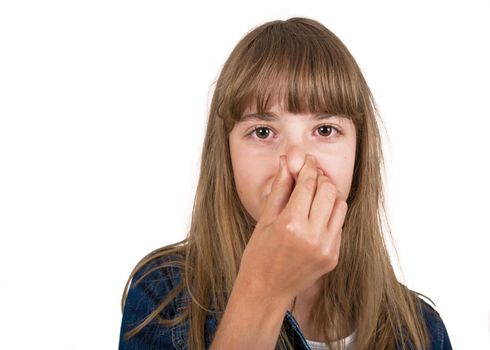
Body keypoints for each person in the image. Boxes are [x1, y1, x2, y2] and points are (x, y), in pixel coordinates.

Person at [118, 17, 453, 350]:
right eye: (262, 132)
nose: (295, 162)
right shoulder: (163, 293)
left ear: (358, 153)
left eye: (324, 130)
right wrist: (264, 289)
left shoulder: (421, 330)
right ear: (227, 155)